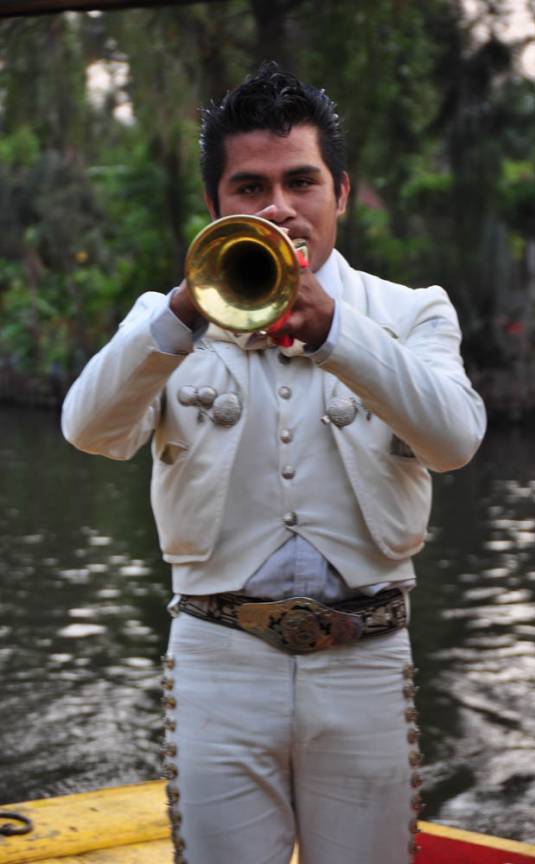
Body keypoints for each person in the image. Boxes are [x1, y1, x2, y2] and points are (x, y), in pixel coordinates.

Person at [61, 62, 487, 864]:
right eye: (250, 187)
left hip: (367, 658)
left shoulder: (412, 311)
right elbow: (88, 430)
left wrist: (337, 334)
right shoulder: (163, 321)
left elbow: (455, 441)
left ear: (341, 192)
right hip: (217, 660)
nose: (279, 207)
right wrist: (183, 312)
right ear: (215, 205)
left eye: (301, 181)